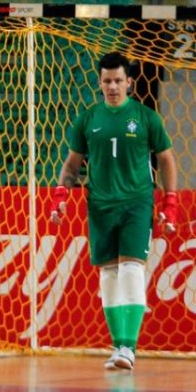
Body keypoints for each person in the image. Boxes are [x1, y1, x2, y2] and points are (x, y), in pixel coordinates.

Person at [50, 51, 178, 372]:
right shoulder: (88, 119)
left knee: (132, 268)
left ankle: (129, 348)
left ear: (129, 82)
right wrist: (60, 196)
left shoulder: (147, 117)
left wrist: (170, 203)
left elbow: (166, 159)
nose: (113, 86)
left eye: (118, 80)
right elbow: (72, 163)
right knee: (108, 275)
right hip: (100, 205)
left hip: (137, 202)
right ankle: (119, 345)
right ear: (99, 83)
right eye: (107, 81)